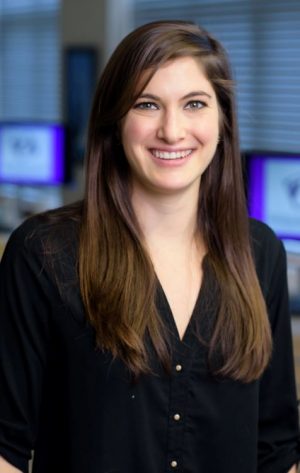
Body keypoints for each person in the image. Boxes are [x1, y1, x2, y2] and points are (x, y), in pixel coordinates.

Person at [0, 20, 299, 473]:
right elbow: (6, 444)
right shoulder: (44, 254)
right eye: (147, 104)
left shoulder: (260, 252)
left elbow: (276, 445)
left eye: (194, 104)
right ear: (115, 121)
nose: (172, 131)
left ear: (222, 119)